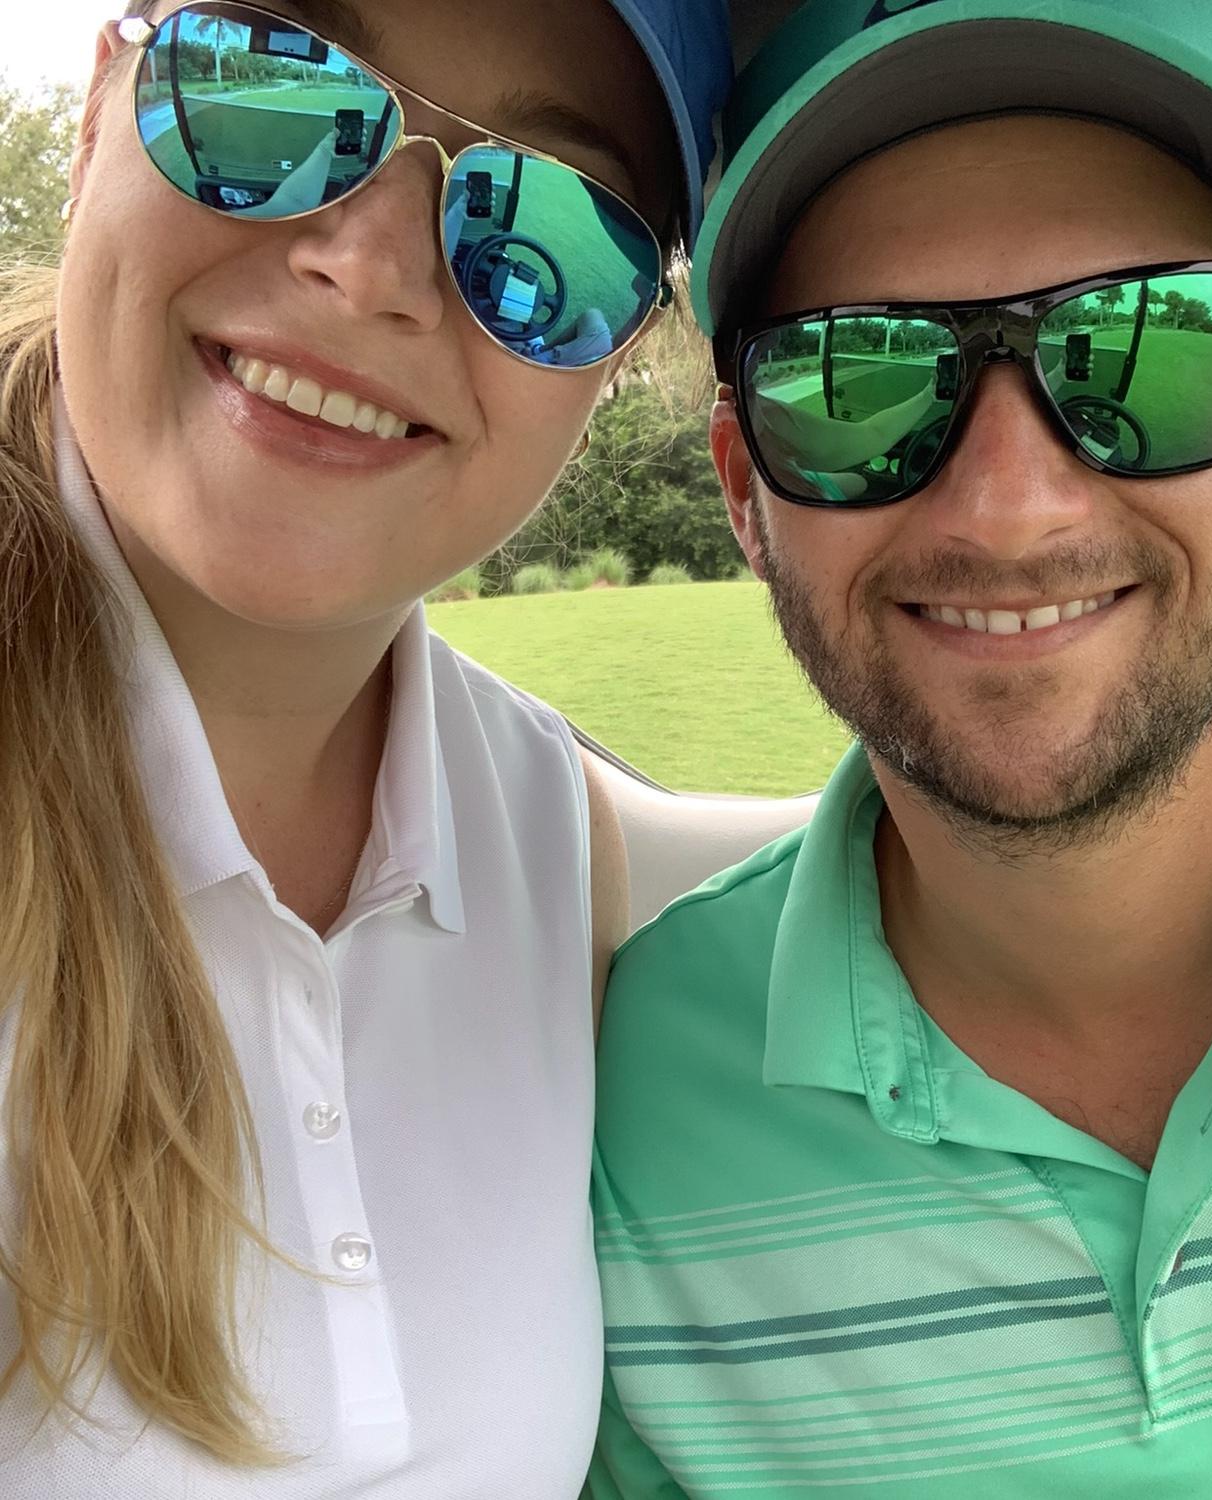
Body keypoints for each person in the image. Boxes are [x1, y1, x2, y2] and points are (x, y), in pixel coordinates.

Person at [589, 1, 1212, 1495]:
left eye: (1149, 354)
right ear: (750, 496)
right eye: (856, 380)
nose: (1010, 513)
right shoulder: (631, 1107)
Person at [0, 0, 728, 1493]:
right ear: (95, 123)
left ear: (613, 363)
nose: (371, 265)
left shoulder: (534, 822)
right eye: (268, 88)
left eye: (548, 219)